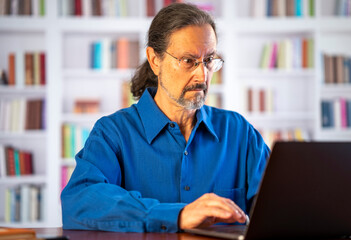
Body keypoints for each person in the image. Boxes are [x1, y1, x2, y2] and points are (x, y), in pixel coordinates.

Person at [61, 3, 270, 233]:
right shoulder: (113, 133)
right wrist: (176, 215)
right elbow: (79, 201)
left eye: (209, 60)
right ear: (154, 60)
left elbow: (279, 206)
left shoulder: (238, 132)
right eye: (188, 61)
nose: (202, 75)